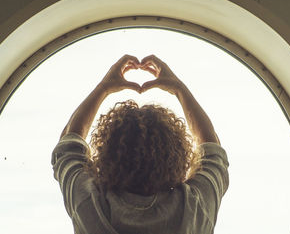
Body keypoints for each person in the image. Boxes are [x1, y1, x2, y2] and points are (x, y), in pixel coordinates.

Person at [52, 55, 229, 234]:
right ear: (175, 157)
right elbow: (212, 149)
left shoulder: (90, 204)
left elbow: (69, 144)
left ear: (107, 155)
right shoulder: (193, 208)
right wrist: (178, 89)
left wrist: (103, 88)